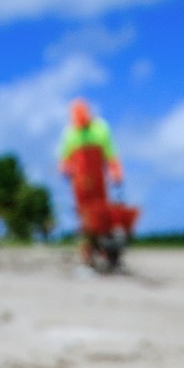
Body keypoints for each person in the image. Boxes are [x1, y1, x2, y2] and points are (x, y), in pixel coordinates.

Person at [58, 98, 139, 269]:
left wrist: (116, 172)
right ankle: (88, 259)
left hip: (99, 183)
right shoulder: (69, 133)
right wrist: (68, 169)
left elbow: (111, 155)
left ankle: (111, 257)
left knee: (103, 219)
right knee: (86, 222)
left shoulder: (101, 128)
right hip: (80, 186)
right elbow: (64, 162)